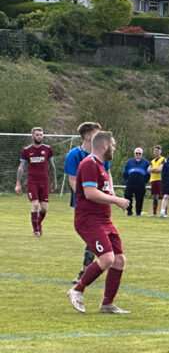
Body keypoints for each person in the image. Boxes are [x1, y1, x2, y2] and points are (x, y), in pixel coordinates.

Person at [66, 130, 132, 314]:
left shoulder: (101, 166)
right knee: (107, 258)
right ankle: (77, 290)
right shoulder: (89, 164)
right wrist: (116, 200)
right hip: (88, 220)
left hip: (104, 220)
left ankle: (107, 304)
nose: (114, 148)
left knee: (119, 260)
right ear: (105, 145)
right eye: (113, 145)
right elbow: (90, 193)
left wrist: (112, 196)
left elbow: (102, 191)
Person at [65, 122, 107, 284]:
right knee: (93, 237)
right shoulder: (74, 155)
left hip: (100, 202)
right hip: (84, 204)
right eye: (98, 133)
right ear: (88, 136)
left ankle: (87, 271)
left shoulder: (102, 154)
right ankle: (86, 272)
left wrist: (107, 195)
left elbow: (107, 174)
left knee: (97, 237)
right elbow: (73, 181)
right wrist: (88, 197)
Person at [16, 127, 56, 236]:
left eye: (41, 135)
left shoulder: (47, 149)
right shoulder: (27, 150)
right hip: (32, 182)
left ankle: (38, 223)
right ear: (32, 136)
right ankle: (36, 230)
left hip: (45, 182)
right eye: (37, 134)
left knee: (44, 208)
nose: (39, 136)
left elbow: (52, 166)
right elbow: (21, 167)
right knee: (35, 204)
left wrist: (54, 182)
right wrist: (18, 183)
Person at [121, 147, 150, 217]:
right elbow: (124, 173)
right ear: (134, 154)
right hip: (130, 183)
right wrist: (127, 180)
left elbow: (148, 175)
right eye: (136, 153)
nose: (138, 154)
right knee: (127, 196)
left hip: (140, 184)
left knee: (139, 198)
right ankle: (129, 211)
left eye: (139, 153)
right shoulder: (129, 162)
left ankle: (138, 212)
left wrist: (143, 181)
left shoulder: (146, 163)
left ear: (142, 154)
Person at [148, 145, 165, 216]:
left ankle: (164, 212)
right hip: (153, 179)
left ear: (160, 151)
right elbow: (148, 169)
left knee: (163, 195)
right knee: (155, 196)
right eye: (155, 150)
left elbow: (159, 169)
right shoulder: (152, 161)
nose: (156, 152)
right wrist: (154, 169)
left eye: (158, 150)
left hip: (160, 179)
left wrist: (153, 169)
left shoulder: (163, 159)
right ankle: (154, 213)